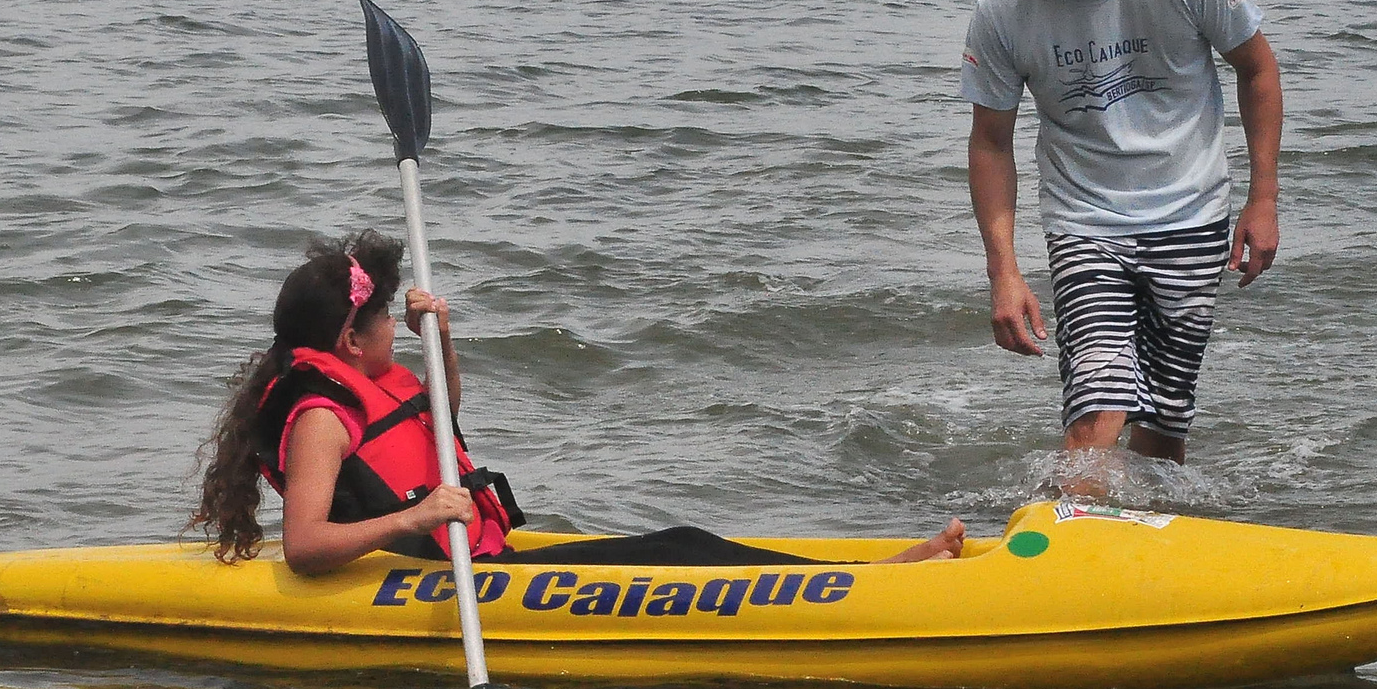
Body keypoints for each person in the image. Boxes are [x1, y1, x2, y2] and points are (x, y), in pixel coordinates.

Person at [189, 231, 968, 575]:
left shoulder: (369, 377)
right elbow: (303, 546)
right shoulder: (321, 417)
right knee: (681, 550)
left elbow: (438, 418)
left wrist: (445, 336)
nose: (399, 325)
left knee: (683, 543)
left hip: (477, 560)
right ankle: (882, 583)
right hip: (430, 578)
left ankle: (873, 570)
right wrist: (417, 519)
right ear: (352, 341)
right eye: (388, 317)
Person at [961, 0, 1283, 467]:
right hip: (1085, 223)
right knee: (1098, 407)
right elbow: (990, 142)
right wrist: (1003, 271)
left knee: (1164, 424)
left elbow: (1258, 69)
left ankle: (1149, 545)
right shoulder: (1002, 8)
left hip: (1191, 212)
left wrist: (1262, 198)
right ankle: (1062, 546)